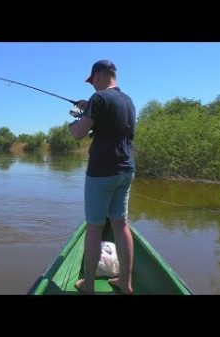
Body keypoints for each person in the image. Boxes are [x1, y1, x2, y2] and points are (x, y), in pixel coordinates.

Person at [68, 60, 136, 295]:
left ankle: (88, 285)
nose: (92, 86)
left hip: (101, 171)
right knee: (121, 224)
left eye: (92, 81)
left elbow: (79, 134)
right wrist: (88, 108)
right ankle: (125, 283)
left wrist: (73, 122)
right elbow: (110, 124)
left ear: (98, 76)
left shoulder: (99, 99)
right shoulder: (128, 100)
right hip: (126, 169)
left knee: (95, 227)